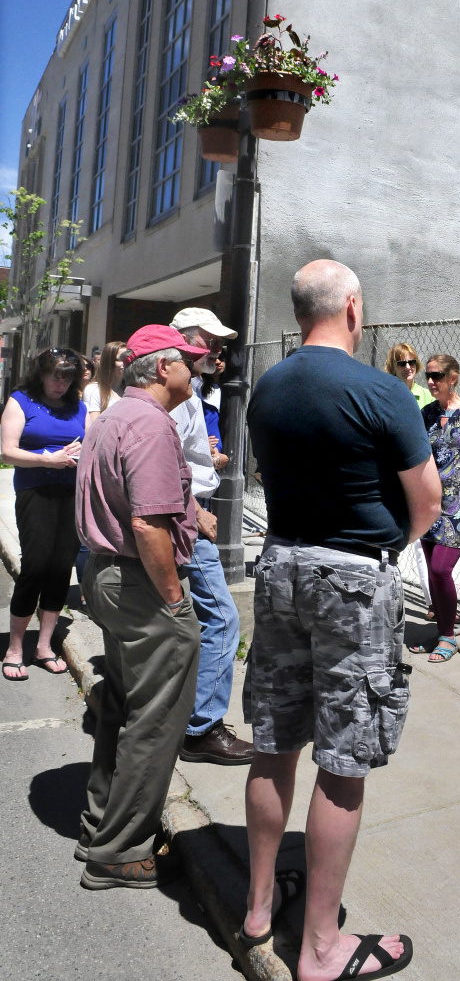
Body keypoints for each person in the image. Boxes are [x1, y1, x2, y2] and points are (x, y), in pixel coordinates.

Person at [242, 259, 440, 980]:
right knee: (343, 760)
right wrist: (383, 542)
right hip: (353, 577)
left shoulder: (267, 388)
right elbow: (427, 503)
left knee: (274, 740)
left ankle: (259, 908)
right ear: (352, 308)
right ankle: (322, 947)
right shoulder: (381, 391)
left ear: (302, 312)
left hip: (281, 566)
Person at [73, 325, 210, 888]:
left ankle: (102, 826)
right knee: (154, 718)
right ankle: (120, 849)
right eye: (188, 363)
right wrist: (175, 601)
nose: (196, 372)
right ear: (160, 369)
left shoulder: (114, 417)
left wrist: (189, 511)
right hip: (139, 582)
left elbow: (147, 505)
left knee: (124, 704)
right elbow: (148, 523)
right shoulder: (152, 425)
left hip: (109, 577)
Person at [168, 307, 253, 765]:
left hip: (185, 513)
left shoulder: (192, 390)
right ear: (182, 340)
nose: (216, 350)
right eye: (208, 340)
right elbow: (161, 460)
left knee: (185, 621)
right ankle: (202, 729)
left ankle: (186, 718)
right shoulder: (178, 394)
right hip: (186, 518)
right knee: (222, 620)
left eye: (219, 343)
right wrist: (195, 509)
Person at [0, 348, 85, 681]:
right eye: (55, 376)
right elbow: (7, 450)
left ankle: (45, 646)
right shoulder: (21, 400)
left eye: (67, 377)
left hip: (72, 492)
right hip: (35, 491)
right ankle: (15, 648)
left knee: (61, 567)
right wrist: (47, 460)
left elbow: (93, 440)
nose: (61, 383)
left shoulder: (78, 405)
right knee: (35, 566)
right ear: (41, 374)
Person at [409, 354, 460, 662]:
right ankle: (442, 632)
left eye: (437, 376)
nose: (430, 381)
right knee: (433, 573)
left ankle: (448, 637)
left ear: (453, 378)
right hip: (428, 502)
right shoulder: (426, 413)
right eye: (428, 375)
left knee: (441, 568)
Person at [385, 342, 435, 618]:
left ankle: (432, 603)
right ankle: (387, 598)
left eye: (412, 362)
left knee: (421, 543)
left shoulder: (425, 397)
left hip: (420, 476)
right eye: (402, 363)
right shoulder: (387, 394)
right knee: (394, 542)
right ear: (393, 366)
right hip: (393, 477)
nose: (408, 368)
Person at [84, 340, 126, 426]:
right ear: (108, 362)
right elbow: (94, 427)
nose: (125, 363)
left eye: (128, 359)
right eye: (121, 359)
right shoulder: (93, 390)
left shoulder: (130, 389)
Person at [200, 351, 229, 469]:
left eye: (221, 358)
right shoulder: (199, 387)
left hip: (227, 434)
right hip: (210, 436)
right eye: (214, 359)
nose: (218, 362)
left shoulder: (229, 387)